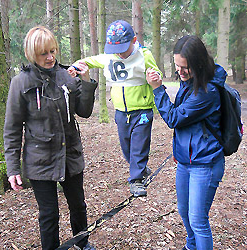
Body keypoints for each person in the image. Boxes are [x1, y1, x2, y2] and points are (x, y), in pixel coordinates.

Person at [3, 26, 97, 250]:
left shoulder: (66, 76)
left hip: (70, 154)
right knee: (49, 214)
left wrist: (85, 81)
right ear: (32, 54)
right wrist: (13, 168)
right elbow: (13, 128)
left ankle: (82, 243)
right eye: (43, 53)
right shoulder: (21, 83)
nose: (50, 57)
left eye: (52, 51)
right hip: (39, 159)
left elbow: (84, 111)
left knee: (78, 206)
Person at [146, 35, 226, 250]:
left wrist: (157, 89)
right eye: (177, 66)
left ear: (198, 64)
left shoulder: (207, 91)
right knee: (184, 211)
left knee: (198, 220)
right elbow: (186, 124)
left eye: (185, 67)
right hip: (187, 160)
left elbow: (174, 118)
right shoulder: (190, 81)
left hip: (205, 163)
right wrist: (179, 152)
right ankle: (191, 246)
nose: (180, 72)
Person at [68, 20, 162, 197]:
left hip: (142, 110)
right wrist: (75, 66)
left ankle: (136, 180)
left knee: (139, 146)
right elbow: (90, 60)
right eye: (115, 49)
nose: (119, 53)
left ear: (134, 41)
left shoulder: (144, 55)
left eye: (123, 49)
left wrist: (154, 76)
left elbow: (157, 73)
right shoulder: (109, 57)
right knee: (126, 148)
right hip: (121, 112)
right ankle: (138, 166)